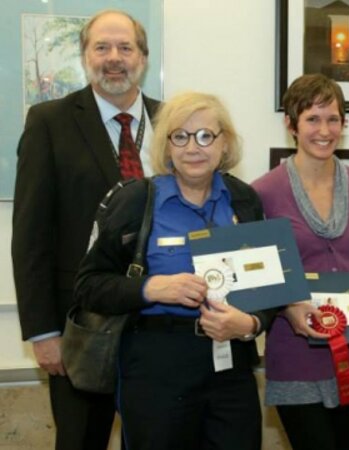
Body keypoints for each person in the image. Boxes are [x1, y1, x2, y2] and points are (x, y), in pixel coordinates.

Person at [74, 92, 269, 450]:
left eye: (205, 135)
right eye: (180, 136)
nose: (193, 147)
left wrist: (251, 324)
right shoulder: (136, 201)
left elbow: (269, 287)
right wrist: (150, 289)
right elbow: (89, 286)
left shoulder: (244, 199)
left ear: (224, 143)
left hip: (231, 368)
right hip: (155, 365)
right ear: (166, 146)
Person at [11, 9, 158, 450]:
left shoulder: (173, 122)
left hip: (159, 328)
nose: (114, 58)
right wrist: (42, 332)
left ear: (143, 58)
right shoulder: (49, 121)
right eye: (102, 47)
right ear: (85, 56)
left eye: (125, 47)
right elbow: (31, 235)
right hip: (80, 331)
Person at [252, 73, 349, 450]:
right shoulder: (263, 192)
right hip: (295, 353)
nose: (324, 130)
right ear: (290, 125)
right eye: (312, 119)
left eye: (333, 119)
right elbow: (262, 278)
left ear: (343, 124)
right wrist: (289, 305)